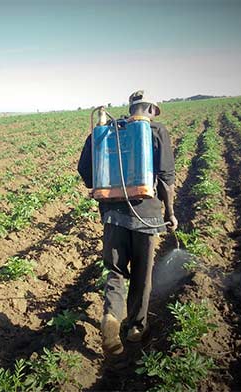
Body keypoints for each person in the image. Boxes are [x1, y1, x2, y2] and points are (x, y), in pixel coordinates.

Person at [77, 90, 178, 355]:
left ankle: (111, 317)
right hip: (147, 213)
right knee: (142, 274)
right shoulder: (155, 130)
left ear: (131, 107)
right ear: (152, 110)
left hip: (112, 213)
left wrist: (101, 190)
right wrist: (170, 213)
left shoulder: (105, 130)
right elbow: (166, 178)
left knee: (116, 271)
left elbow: (84, 169)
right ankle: (135, 327)